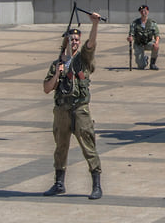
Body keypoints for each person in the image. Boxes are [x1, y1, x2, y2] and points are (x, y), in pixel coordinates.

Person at [42, 12, 103, 200]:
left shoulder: (83, 59)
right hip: (62, 110)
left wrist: (94, 25)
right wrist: (57, 74)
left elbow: (91, 44)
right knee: (61, 147)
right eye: (72, 39)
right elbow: (47, 88)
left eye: (77, 39)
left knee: (88, 145)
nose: (75, 42)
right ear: (66, 42)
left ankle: (96, 184)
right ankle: (59, 183)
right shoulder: (57, 64)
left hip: (80, 109)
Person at [128, 5, 160, 70]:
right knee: (141, 66)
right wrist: (130, 38)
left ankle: (152, 64)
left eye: (145, 11)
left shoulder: (152, 23)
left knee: (155, 46)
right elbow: (131, 34)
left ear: (148, 12)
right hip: (138, 44)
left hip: (148, 42)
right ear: (140, 12)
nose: (143, 13)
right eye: (142, 11)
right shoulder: (135, 23)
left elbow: (157, 35)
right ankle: (145, 60)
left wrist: (156, 43)